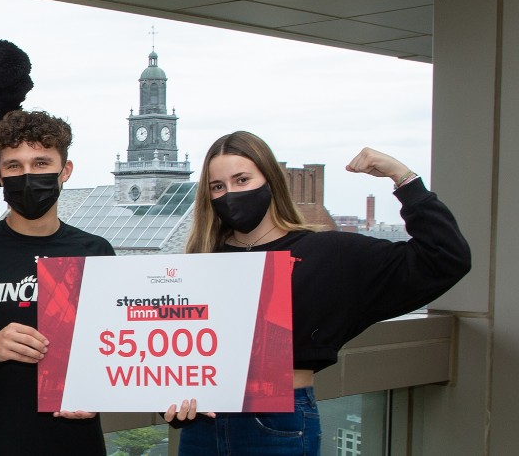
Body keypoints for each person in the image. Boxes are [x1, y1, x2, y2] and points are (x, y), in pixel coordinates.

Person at [171, 131, 471, 454]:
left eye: (242, 180)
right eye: (218, 187)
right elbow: (175, 353)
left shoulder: (327, 252)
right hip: (202, 428)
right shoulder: (202, 261)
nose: (230, 194)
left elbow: (445, 259)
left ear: (270, 180)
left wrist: (403, 177)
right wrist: (172, 402)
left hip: (276, 424)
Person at [0, 110, 204, 455]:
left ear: (65, 171)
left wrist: (171, 396)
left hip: (79, 443)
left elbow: (126, 350)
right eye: (14, 166)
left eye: (41, 163)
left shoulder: (94, 251)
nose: (27, 175)